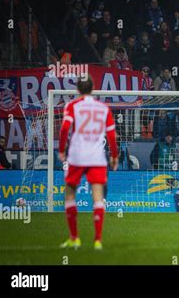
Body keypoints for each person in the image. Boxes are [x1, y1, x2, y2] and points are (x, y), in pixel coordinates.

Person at [58, 78, 118, 250]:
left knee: (70, 193)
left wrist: (61, 150)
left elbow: (64, 128)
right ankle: (97, 240)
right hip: (97, 156)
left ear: (77, 88)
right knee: (97, 196)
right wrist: (114, 156)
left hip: (77, 155)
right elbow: (112, 136)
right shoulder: (103, 108)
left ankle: (74, 238)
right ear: (93, 88)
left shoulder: (72, 105)